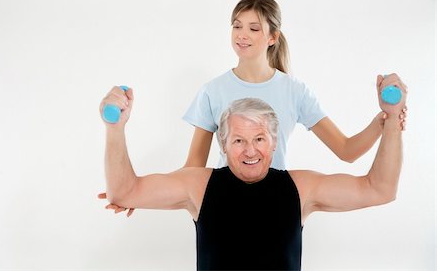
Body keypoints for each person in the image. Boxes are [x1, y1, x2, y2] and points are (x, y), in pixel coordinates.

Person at [103, 0, 407, 217]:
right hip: (226, 200)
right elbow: (193, 167)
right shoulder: (213, 90)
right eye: (237, 26)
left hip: (279, 201)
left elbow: (347, 150)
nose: (242, 35)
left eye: (253, 28)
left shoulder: (295, 90)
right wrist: (139, 195)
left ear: (272, 37)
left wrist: (382, 121)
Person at [98, 75, 407, 270]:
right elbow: (124, 191)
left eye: (259, 139)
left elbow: (379, 189)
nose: (249, 150)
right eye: (238, 141)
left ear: (274, 143)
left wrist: (392, 119)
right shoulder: (199, 185)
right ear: (223, 143)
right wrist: (115, 128)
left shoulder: (300, 188)